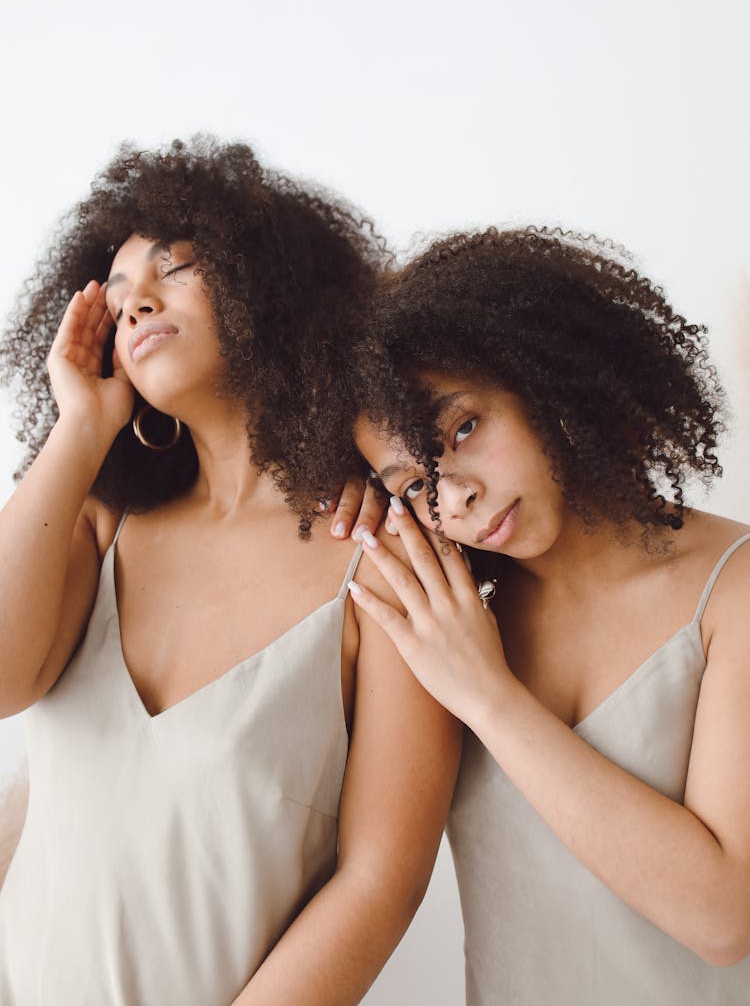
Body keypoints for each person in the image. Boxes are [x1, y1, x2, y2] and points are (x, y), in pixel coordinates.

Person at [0, 137, 460, 1005]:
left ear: (270, 290)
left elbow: (381, 882)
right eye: (119, 291)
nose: (137, 303)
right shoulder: (98, 523)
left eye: (173, 268)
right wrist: (80, 425)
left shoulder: (379, 561)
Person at [308, 226, 750, 1004]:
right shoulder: (447, 615)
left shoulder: (734, 588)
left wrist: (487, 694)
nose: (454, 495)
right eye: (415, 485)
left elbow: (725, 916)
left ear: (549, 377)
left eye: (463, 428)